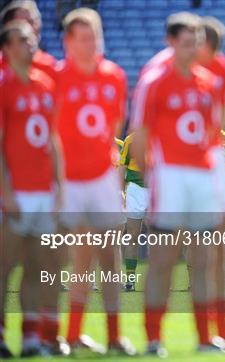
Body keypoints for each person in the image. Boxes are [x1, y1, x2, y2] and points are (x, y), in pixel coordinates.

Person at [130, 12, 225, 355]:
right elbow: (139, 137)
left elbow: (212, 133)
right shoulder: (156, 79)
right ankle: (153, 337)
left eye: (196, 41)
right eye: (186, 41)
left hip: (201, 176)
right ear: (171, 42)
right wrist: (155, 177)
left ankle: (206, 338)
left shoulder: (206, 81)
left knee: (204, 258)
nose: (193, 47)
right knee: (163, 258)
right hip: (170, 176)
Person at [54, 8, 134, 354]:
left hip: (102, 176)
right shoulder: (55, 78)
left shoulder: (114, 75)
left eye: (96, 37)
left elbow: (114, 125)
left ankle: (114, 335)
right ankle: (67, 333)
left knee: (109, 255)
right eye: (85, 38)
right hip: (66, 180)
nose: (92, 44)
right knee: (74, 258)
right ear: (68, 42)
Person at [0, 20, 66, 358]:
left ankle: (30, 338)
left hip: (43, 191)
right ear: (7, 47)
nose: (31, 45)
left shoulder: (43, 84)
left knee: (40, 267)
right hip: (16, 191)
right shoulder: (3, 86)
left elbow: (53, 139)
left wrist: (59, 186)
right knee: (5, 265)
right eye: (23, 41)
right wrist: (6, 191)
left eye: (32, 39)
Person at [119, 133, 147, 292]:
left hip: (158, 189)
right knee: (132, 235)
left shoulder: (164, 135)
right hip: (136, 190)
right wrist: (121, 191)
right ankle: (130, 280)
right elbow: (122, 168)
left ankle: (159, 279)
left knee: (161, 235)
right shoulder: (131, 140)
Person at [0, 0, 57, 79]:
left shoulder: (49, 65)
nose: (30, 29)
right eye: (25, 23)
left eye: (34, 22)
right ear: (9, 28)